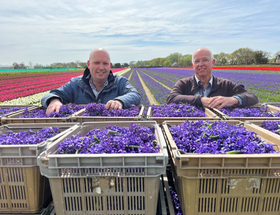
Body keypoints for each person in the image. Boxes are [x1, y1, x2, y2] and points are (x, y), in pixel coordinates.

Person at [41, 48, 141, 114]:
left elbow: (135, 95)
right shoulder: (76, 84)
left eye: (105, 63)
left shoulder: (120, 82)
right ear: (88, 64)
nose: (101, 67)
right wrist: (54, 101)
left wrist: (120, 101)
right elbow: (52, 94)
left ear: (110, 66)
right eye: (96, 63)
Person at [166, 47, 259, 109]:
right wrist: (200, 100)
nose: (201, 64)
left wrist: (233, 100)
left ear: (213, 62)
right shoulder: (184, 84)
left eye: (205, 60)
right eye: (197, 61)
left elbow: (252, 97)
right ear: (193, 65)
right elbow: (171, 99)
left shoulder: (225, 85)